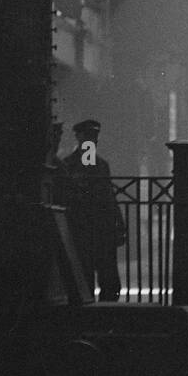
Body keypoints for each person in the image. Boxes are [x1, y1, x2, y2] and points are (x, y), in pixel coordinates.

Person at [61, 119, 125, 302]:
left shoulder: (99, 164)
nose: (92, 140)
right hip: (83, 228)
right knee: (86, 276)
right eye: (88, 136)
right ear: (79, 138)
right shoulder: (70, 165)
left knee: (109, 279)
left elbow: (109, 195)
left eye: (94, 137)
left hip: (101, 228)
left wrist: (118, 222)